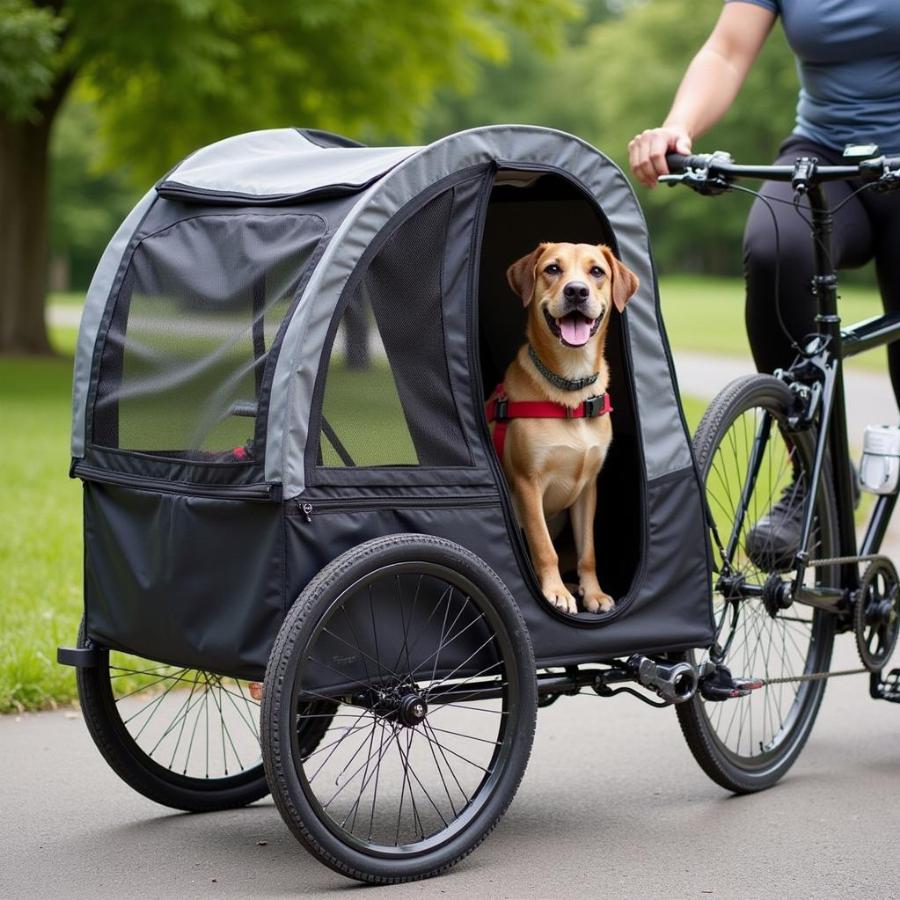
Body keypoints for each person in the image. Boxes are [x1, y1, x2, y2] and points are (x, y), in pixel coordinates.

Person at [629, 0, 900, 561]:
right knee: (776, 249)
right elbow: (726, 51)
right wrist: (679, 125)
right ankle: (817, 476)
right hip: (826, 154)